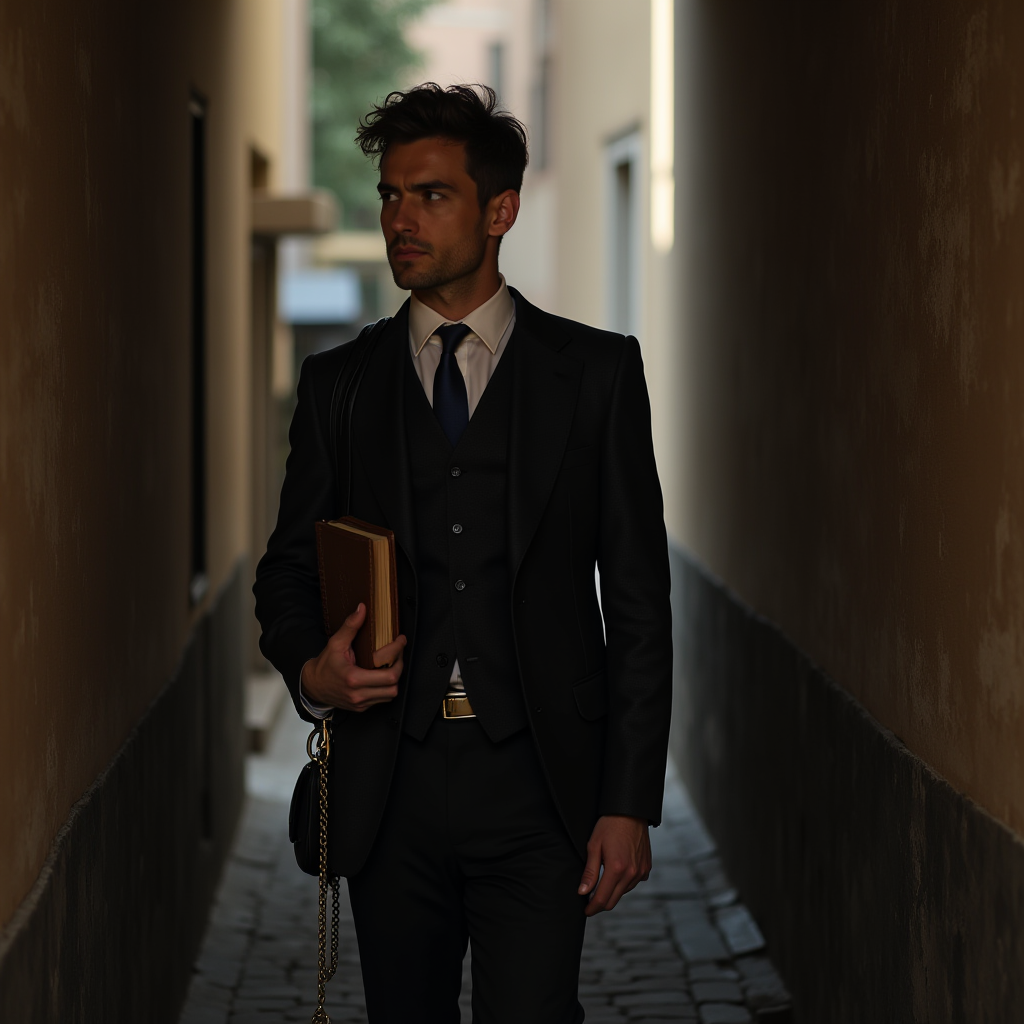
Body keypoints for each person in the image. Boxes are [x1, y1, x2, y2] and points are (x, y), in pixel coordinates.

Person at [254, 83, 672, 1024]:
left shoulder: (597, 374)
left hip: (539, 784)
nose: (399, 218)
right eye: (389, 196)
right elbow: (285, 569)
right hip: (388, 785)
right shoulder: (339, 386)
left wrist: (629, 800)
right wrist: (315, 671)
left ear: (500, 211)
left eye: (430, 195)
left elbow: (639, 599)